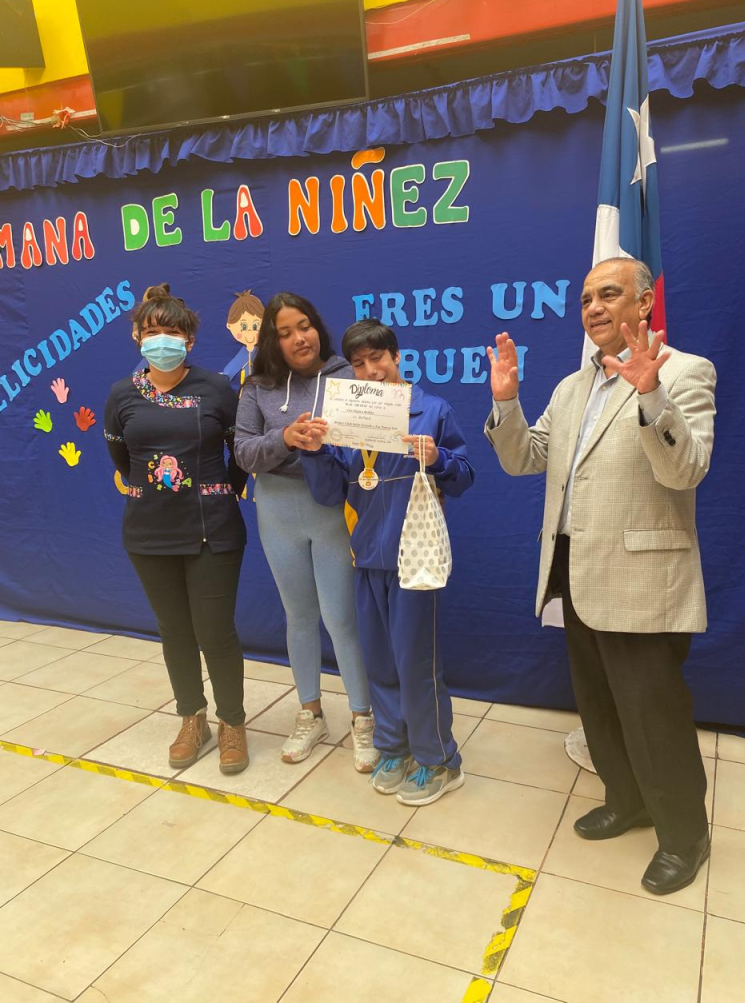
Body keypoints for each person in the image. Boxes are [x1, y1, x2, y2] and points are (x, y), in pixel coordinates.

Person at [485, 257, 716, 895]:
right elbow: (525, 459)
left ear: (644, 304)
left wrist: (651, 395)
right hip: (574, 574)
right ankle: (627, 800)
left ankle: (685, 835)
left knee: (653, 713)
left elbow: (686, 471)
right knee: (600, 705)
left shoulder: (685, 371)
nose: (592, 307)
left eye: (608, 294)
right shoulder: (570, 388)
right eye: (586, 298)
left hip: (642, 580)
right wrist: (506, 402)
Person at [300, 319, 474, 807]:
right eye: (358, 363)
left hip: (414, 557)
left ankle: (439, 759)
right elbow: (329, 493)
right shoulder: (348, 419)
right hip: (366, 557)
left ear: (397, 356)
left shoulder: (431, 410)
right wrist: (315, 453)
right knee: (379, 661)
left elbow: (464, 478)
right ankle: (394, 748)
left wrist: (438, 458)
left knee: (416, 662)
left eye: (378, 358)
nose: (370, 370)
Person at [104, 284, 250, 774]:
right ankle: (193, 718)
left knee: (215, 631)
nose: (161, 340)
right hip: (148, 533)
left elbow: (240, 454)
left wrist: (218, 492)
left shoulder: (216, 388)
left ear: (189, 339)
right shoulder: (122, 394)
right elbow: (122, 458)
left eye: (171, 331)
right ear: (136, 337)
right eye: (151, 331)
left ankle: (232, 722)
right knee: (174, 632)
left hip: (213, 531)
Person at [234, 292, 377, 772]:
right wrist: (286, 437)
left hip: (332, 509)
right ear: (271, 342)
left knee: (340, 619)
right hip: (277, 509)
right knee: (298, 616)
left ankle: (363, 717)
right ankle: (310, 713)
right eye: (285, 332)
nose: (300, 338)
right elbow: (244, 453)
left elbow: (371, 439)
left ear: (318, 327)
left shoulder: (345, 376)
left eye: (305, 326)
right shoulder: (257, 387)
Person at [222, 290, 264, 387]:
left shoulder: (263, 353)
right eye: (244, 326)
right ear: (229, 326)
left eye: (255, 326)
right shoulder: (243, 354)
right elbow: (229, 372)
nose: (249, 331)